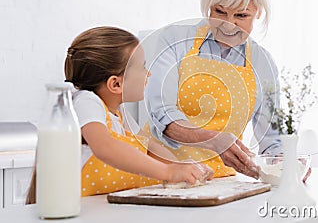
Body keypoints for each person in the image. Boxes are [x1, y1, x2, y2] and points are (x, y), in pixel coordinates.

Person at [26, 26, 213, 203]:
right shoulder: (86, 102)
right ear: (115, 84)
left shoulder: (119, 112)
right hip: (80, 210)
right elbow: (105, 147)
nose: (148, 74)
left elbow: (148, 147)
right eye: (142, 67)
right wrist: (167, 172)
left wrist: (184, 168)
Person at [145, 0, 282, 179]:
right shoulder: (174, 39)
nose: (228, 25)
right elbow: (160, 113)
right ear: (208, 6)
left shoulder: (263, 63)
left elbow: (272, 139)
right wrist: (214, 140)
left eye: (241, 15)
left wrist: (285, 163)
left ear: (258, 12)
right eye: (219, 12)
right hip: (163, 174)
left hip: (222, 181)